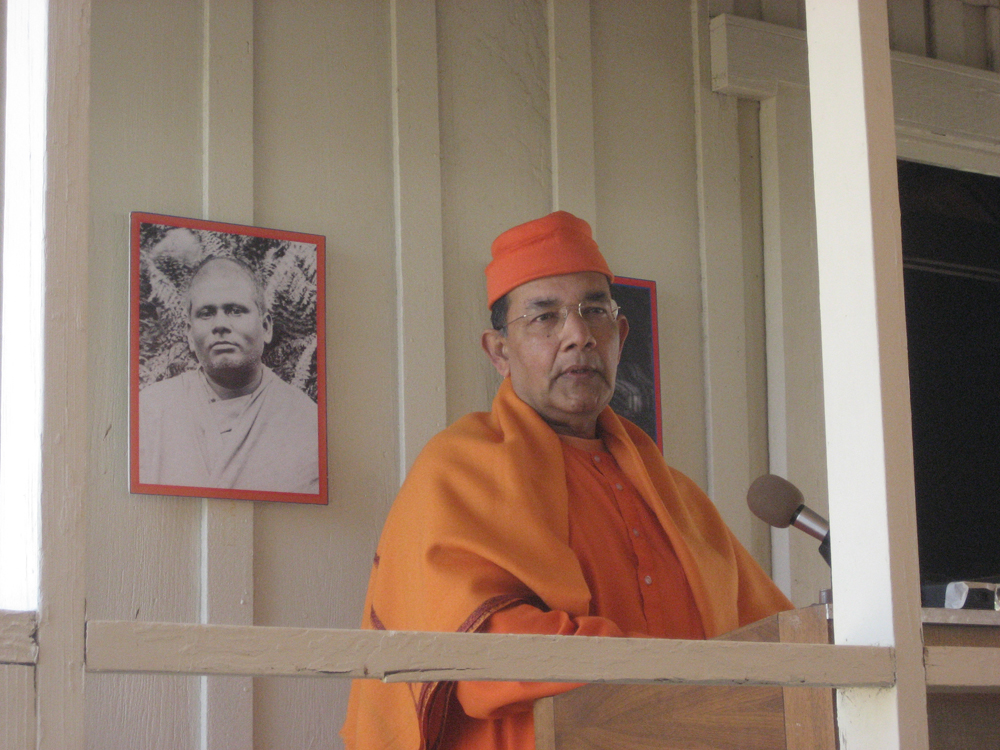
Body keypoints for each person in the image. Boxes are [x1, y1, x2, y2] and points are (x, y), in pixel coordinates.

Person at [342, 211, 792, 749]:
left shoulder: (681, 500)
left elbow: (780, 644)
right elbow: (483, 657)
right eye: (544, 317)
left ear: (619, 336)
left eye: (595, 312)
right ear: (500, 352)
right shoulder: (459, 470)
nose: (578, 336)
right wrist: (666, 664)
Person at [139, 256, 320, 495]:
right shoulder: (151, 410)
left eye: (235, 311)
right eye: (206, 313)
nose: (221, 325)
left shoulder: (305, 421)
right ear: (190, 335)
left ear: (266, 327)